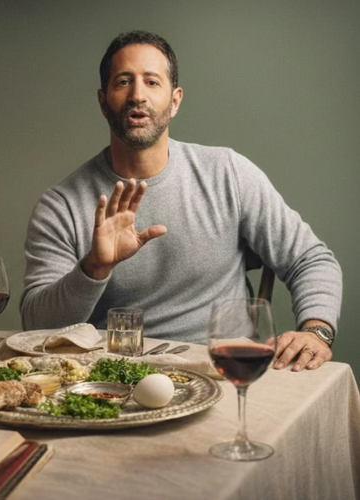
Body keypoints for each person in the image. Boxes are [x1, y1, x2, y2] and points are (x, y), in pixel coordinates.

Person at [20, 31, 342, 371]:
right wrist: (94, 269)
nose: (137, 95)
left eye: (152, 82)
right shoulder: (61, 206)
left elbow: (310, 258)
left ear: (175, 101)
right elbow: (38, 327)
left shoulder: (227, 173)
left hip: (225, 371)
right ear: (103, 101)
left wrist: (317, 331)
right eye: (123, 81)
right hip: (114, 380)